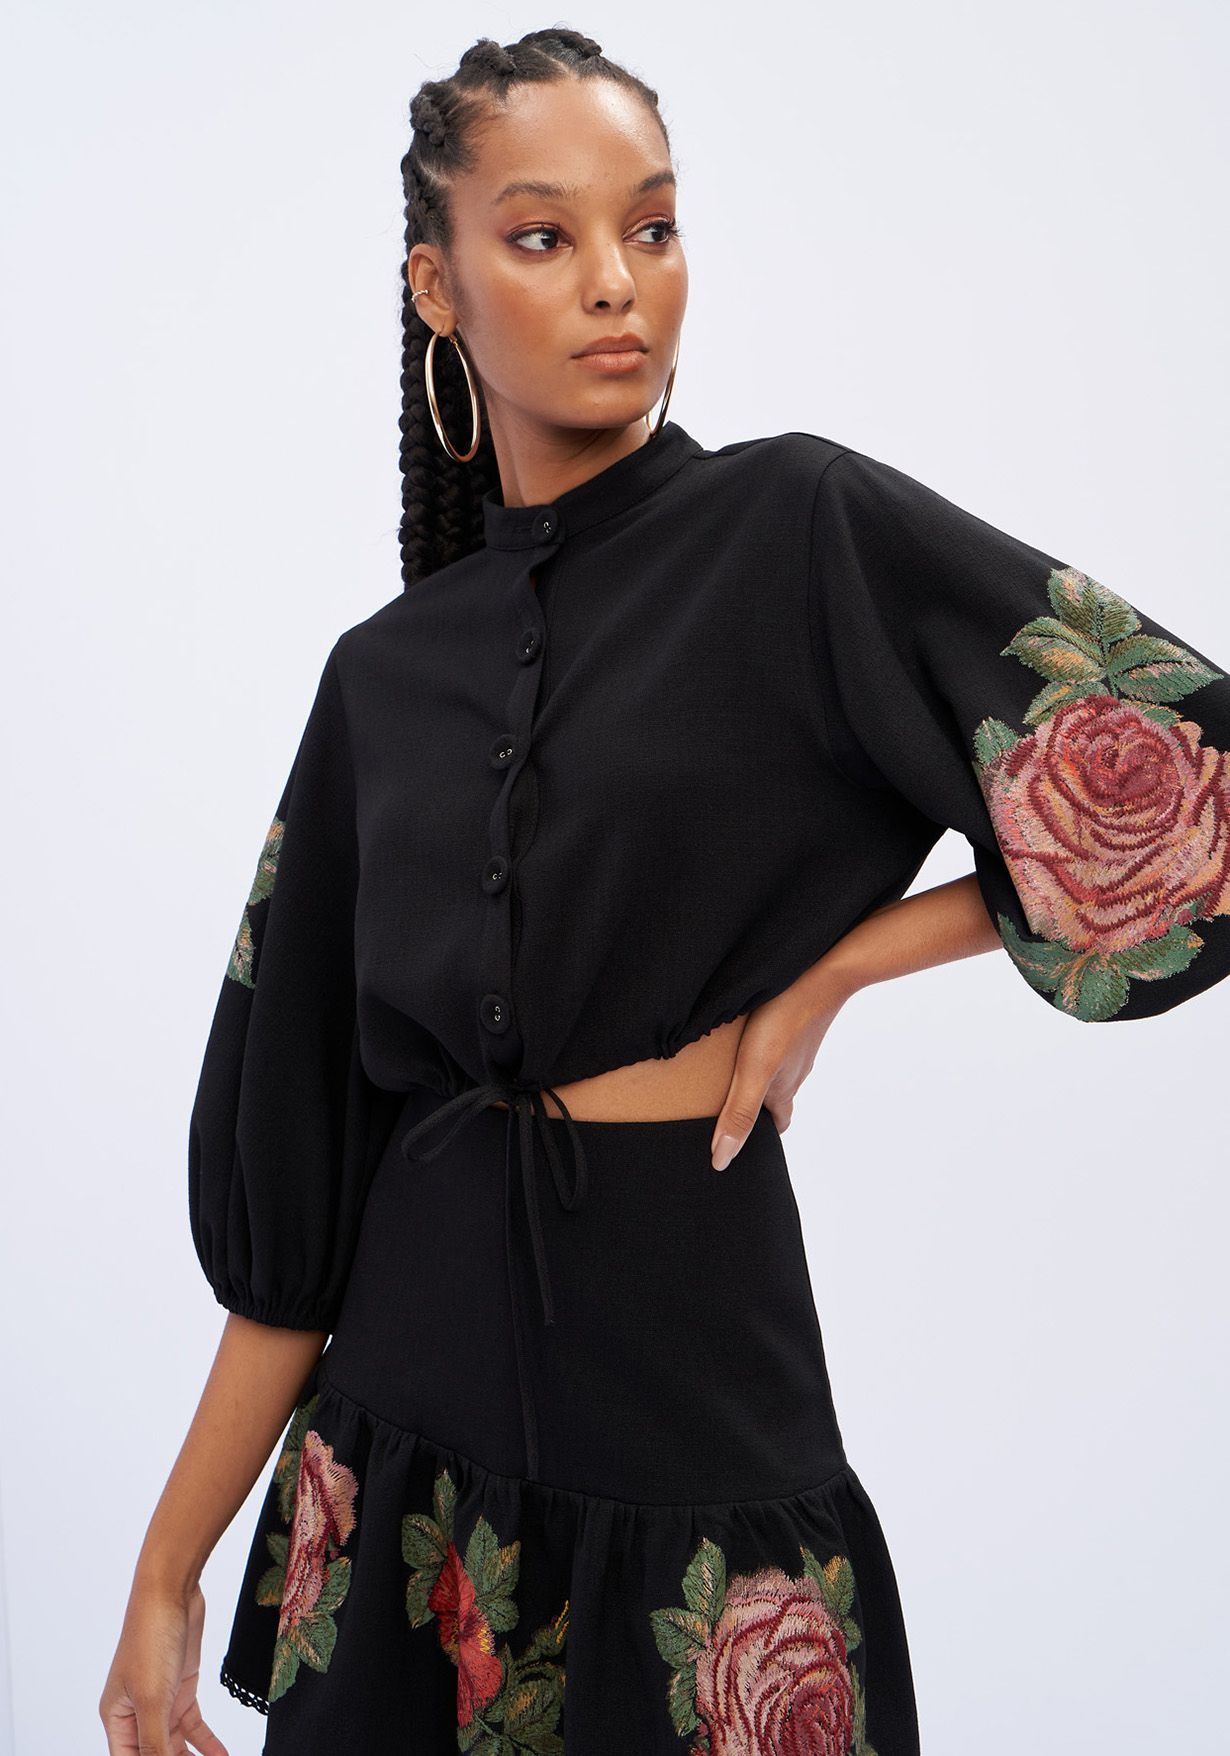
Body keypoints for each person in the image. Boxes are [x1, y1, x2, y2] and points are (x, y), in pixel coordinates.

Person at [99, 26, 1230, 1756]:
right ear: (436, 284)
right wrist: (167, 1570)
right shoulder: (380, 678)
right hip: (396, 1449)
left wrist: (839, 967)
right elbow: (298, 1199)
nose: (615, 282)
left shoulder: (798, 528)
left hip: (691, 1391)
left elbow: (1195, 781)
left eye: (651, 226)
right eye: (541, 236)